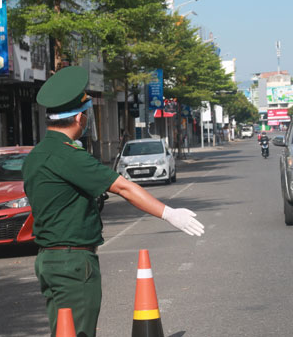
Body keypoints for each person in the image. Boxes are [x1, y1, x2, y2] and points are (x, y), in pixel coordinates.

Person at [21, 66, 205, 337]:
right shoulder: (69, 156)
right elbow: (124, 187)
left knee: (64, 331)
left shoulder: (36, 155)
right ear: (79, 118)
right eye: (87, 116)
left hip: (49, 260)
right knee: (80, 332)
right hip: (72, 262)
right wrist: (168, 213)